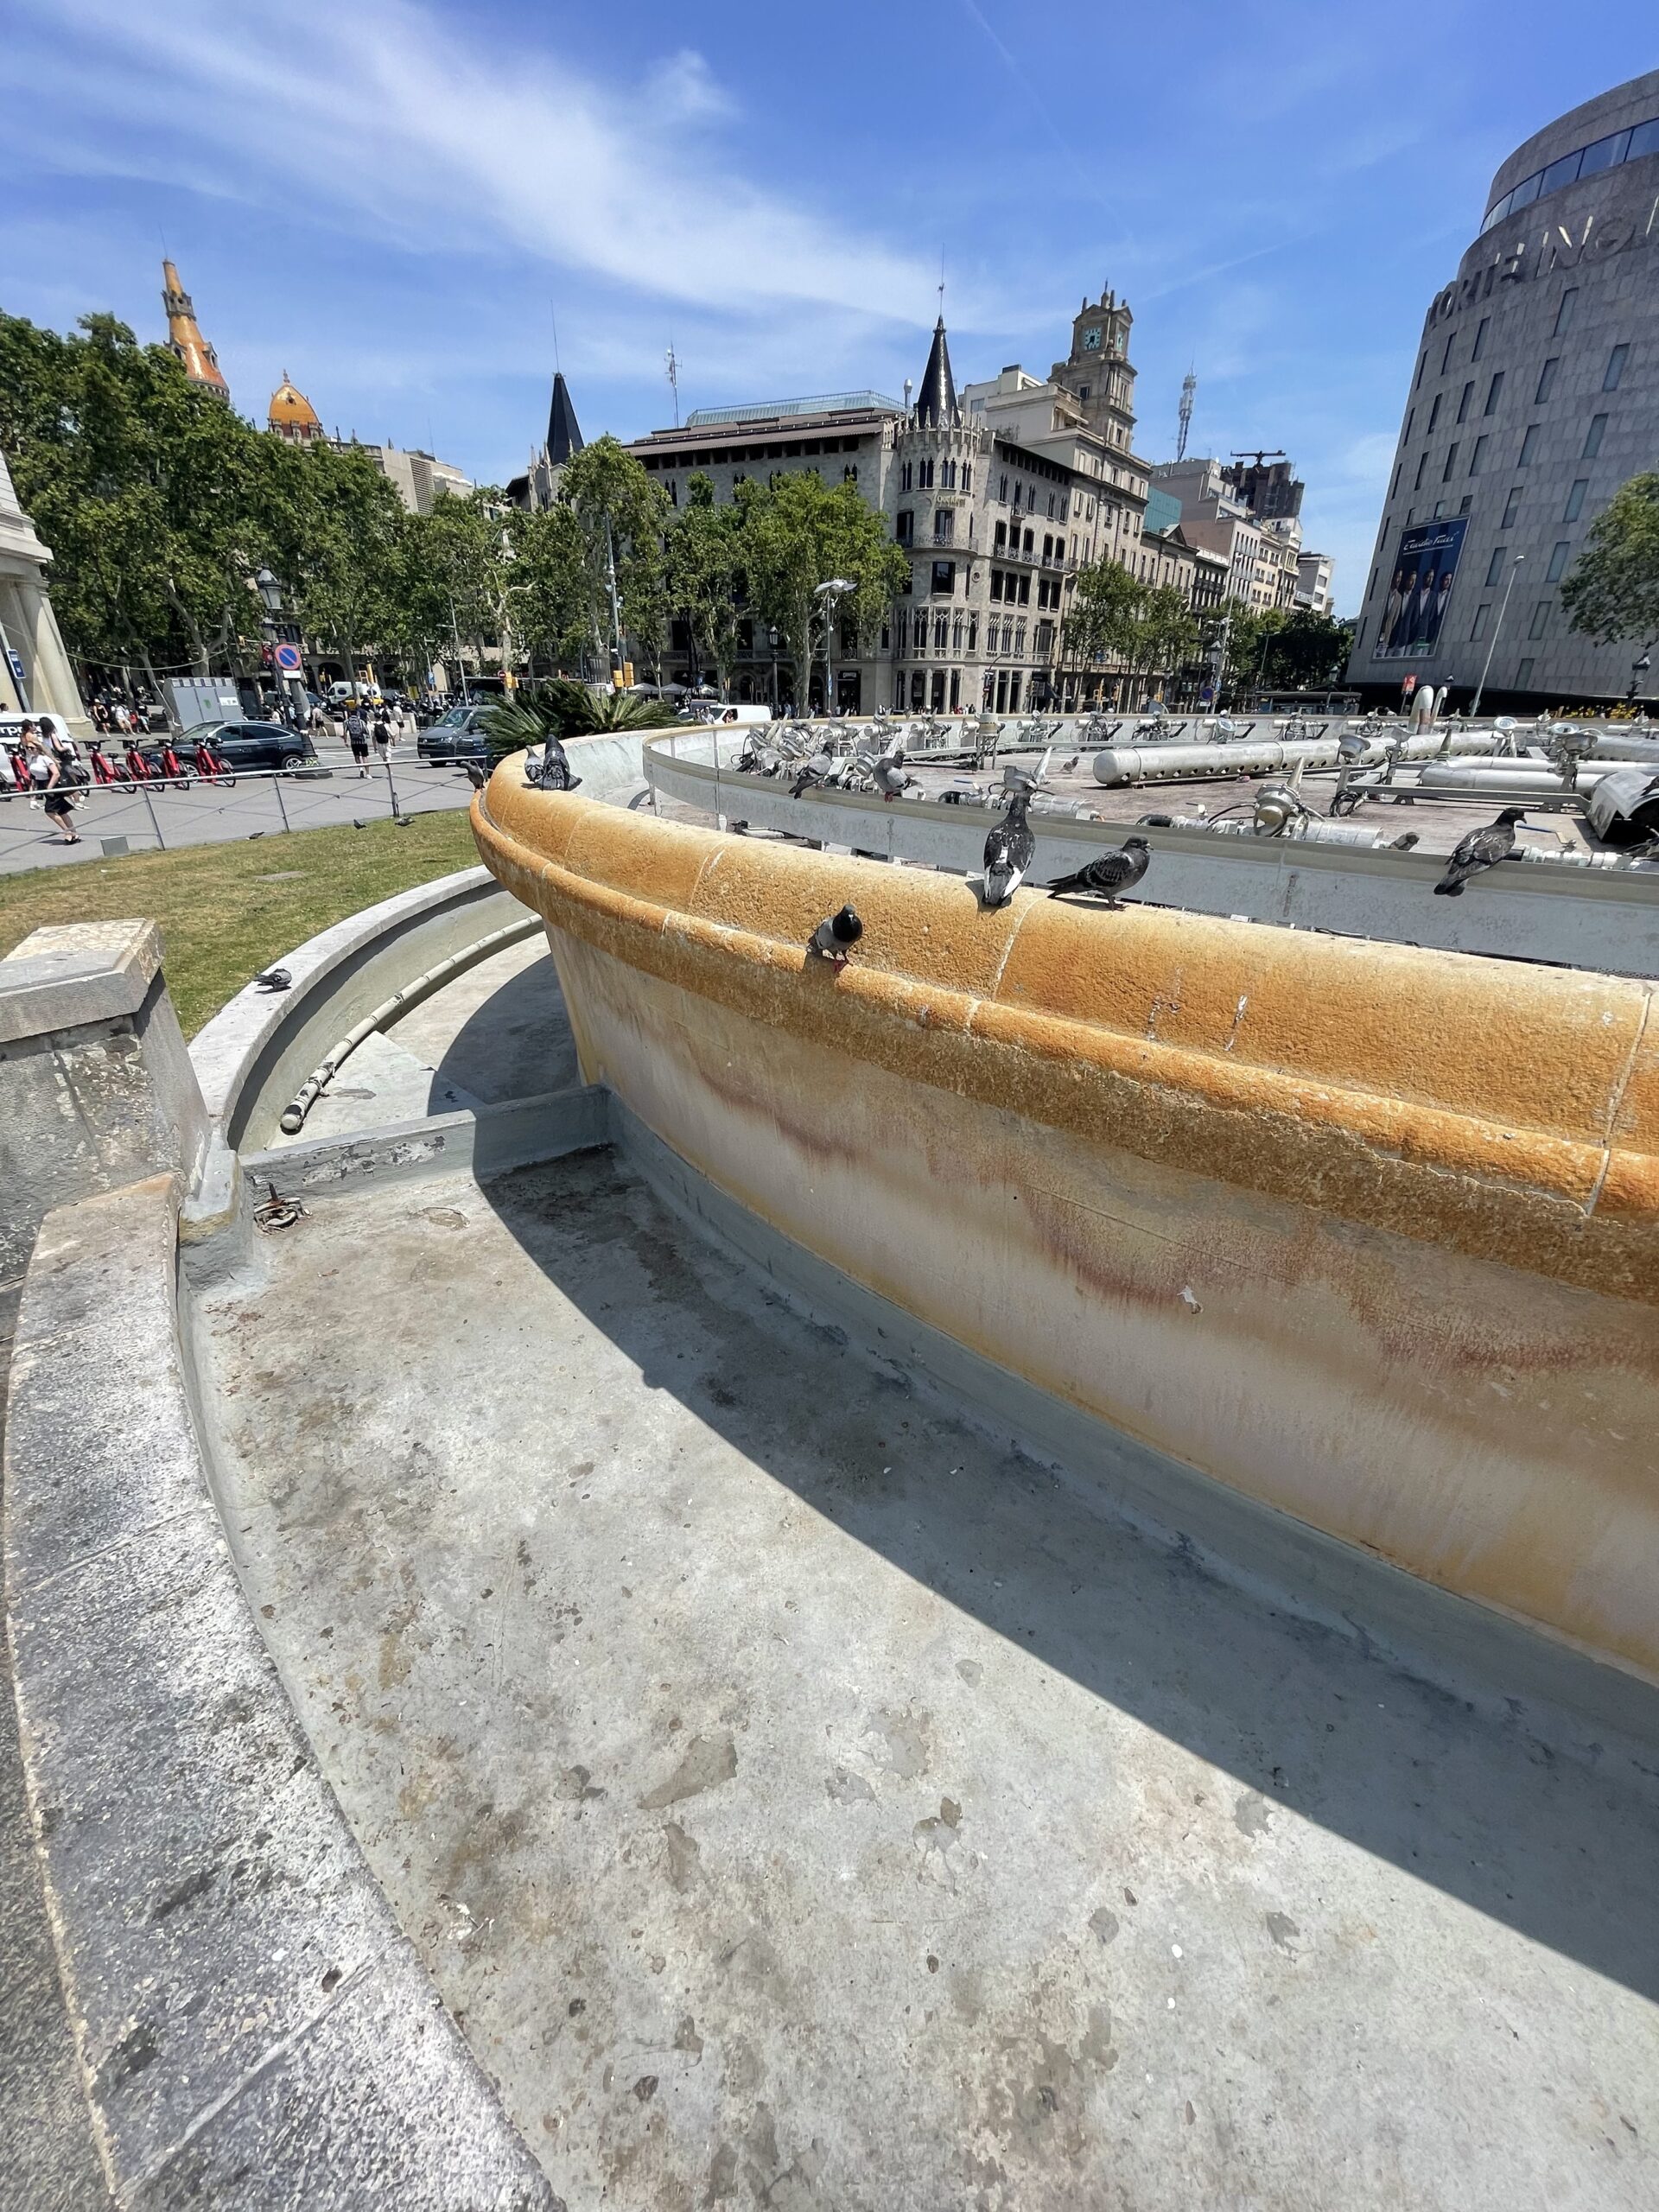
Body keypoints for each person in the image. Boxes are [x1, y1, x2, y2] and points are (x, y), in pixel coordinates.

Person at [25, 726, 80, 843]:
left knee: (49, 811)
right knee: (62, 811)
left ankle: (67, 832)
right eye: (27, 748)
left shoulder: (45, 759)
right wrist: (33, 794)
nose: (29, 750)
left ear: (38, 749)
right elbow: (33, 777)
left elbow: (56, 774)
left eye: (32, 748)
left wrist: (49, 788)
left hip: (52, 786)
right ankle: (74, 833)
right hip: (42, 786)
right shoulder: (32, 760)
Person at [346, 705, 370, 776]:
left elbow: (345, 732)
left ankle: (360, 769)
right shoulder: (361, 721)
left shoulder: (347, 722)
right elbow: (366, 731)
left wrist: (346, 741)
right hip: (362, 741)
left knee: (357, 756)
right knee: (364, 757)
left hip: (354, 742)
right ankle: (368, 773)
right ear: (357, 714)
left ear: (350, 714)